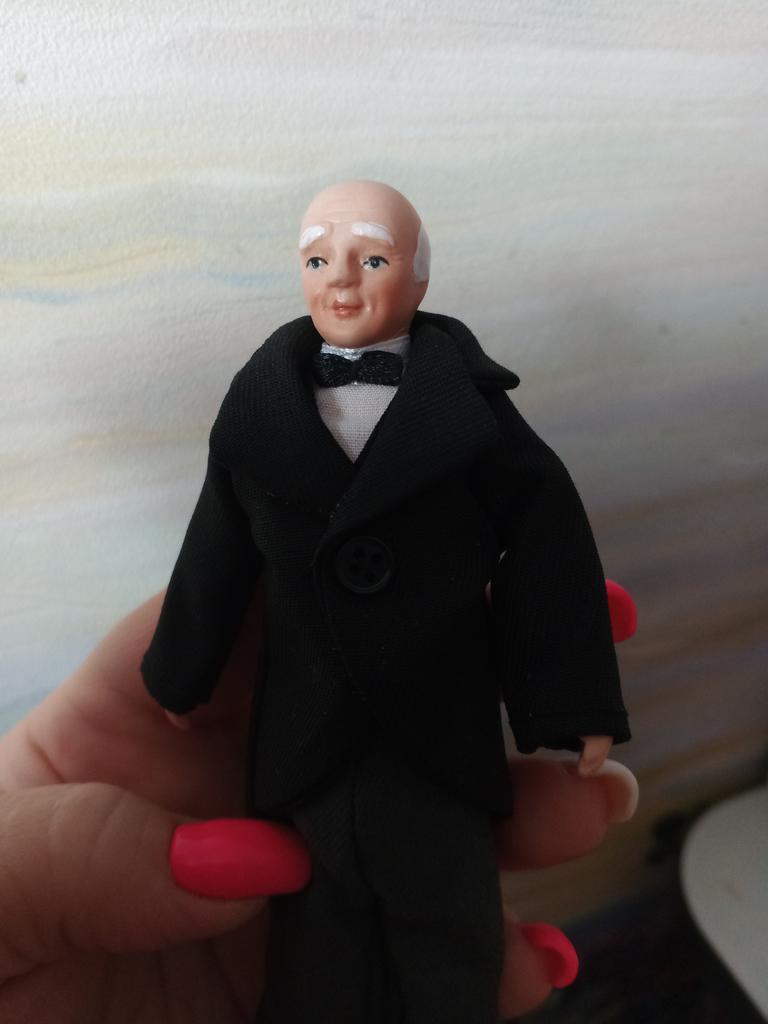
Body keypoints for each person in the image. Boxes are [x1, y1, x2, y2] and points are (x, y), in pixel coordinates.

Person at [141, 181, 632, 1022]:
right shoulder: (259, 408)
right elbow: (215, 545)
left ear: (420, 278)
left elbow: (548, 540)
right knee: (313, 939)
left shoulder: (471, 411)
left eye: (371, 258)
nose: (340, 279)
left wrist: (569, 699)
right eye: (317, 260)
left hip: (438, 726)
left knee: (451, 931)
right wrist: (181, 672)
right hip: (305, 729)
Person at [0, 592, 637, 1022]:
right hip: (313, 802)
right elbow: (217, 567)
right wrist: (179, 670)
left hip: (397, 798)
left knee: (453, 954)